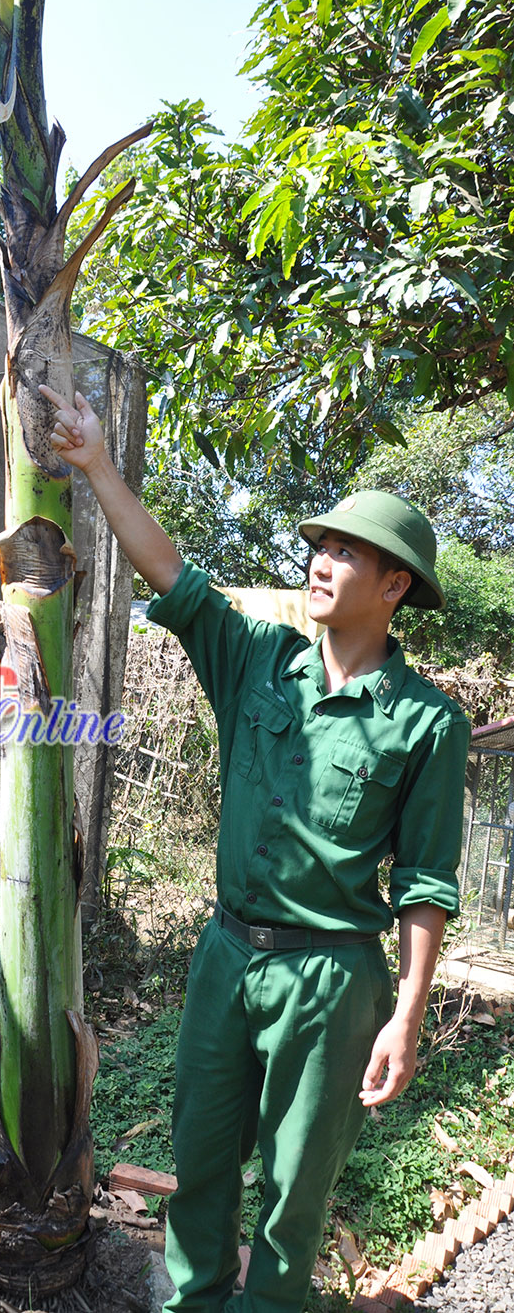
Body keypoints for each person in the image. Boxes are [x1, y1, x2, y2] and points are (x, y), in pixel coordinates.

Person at [39, 384, 470, 1313]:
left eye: (347, 552)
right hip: (227, 957)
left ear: (394, 587)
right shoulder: (256, 661)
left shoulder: (427, 722)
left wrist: (405, 1015)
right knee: (198, 1163)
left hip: (331, 979)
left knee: (291, 1198)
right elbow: (172, 575)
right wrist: (98, 465)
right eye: (322, 545)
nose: (321, 562)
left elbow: (427, 882)